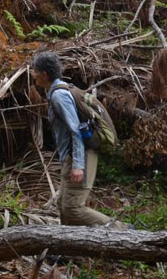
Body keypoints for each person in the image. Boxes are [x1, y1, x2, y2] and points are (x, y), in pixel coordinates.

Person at [31, 50, 127, 228]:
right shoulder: (57, 90)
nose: (33, 75)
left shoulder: (59, 96)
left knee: (73, 208)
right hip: (72, 156)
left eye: (35, 71)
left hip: (81, 156)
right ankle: (68, 252)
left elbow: (75, 130)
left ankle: (124, 230)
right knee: (63, 206)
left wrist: (77, 165)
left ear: (44, 74)